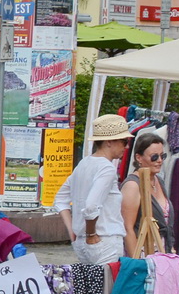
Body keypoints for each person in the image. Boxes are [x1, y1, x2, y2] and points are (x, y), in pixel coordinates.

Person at [54, 113, 131, 265]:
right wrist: (90, 233)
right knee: (108, 280)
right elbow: (91, 206)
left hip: (82, 241)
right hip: (105, 239)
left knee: (92, 280)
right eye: (124, 141)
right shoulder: (106, 168)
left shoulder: (83, 164)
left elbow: (60, 198)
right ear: (109, 142)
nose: (126, 146)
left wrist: (72, 230)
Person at [121, 130, 174, 256]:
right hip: (143, 252)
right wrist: (136, 262)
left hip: (162, 250)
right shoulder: (132, 186)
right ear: (139, 158)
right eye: (154, 157)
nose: (159, 160)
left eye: (162, 156)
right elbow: (127, 228)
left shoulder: (158, 180)